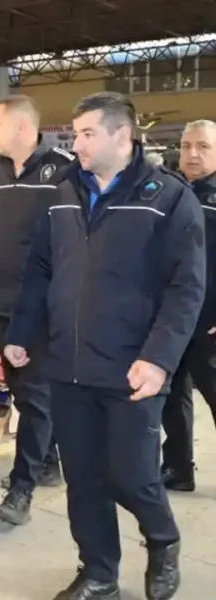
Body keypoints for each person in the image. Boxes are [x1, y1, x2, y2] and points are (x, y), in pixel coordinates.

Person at [4, 92, 202, 600]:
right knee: (84, 478)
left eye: (88, 133)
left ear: (123, 135)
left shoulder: (168, 198)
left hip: (133, 368)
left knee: (131, 476)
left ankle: (163, 541)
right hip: (69, 365)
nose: (77, 144)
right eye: (76, 134)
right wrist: (22, 332)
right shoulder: (63, 193)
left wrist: (159, 359)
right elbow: (40, 269)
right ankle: (98, 573)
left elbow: (186, 288)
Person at [0, 95, 73, 526]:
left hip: (44, 308)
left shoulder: (62, 170)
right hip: (5, 303)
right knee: (22, 390)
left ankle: (21, 487)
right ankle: (46, 461)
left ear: (23, 127)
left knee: (35, 394)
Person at [161, 119, 216, 493]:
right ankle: (179, 468)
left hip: (209, 322)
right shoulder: (172, 192)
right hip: (173, 317)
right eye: (186, 146)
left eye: (203, 147)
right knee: (172, 397)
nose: (192, 154)